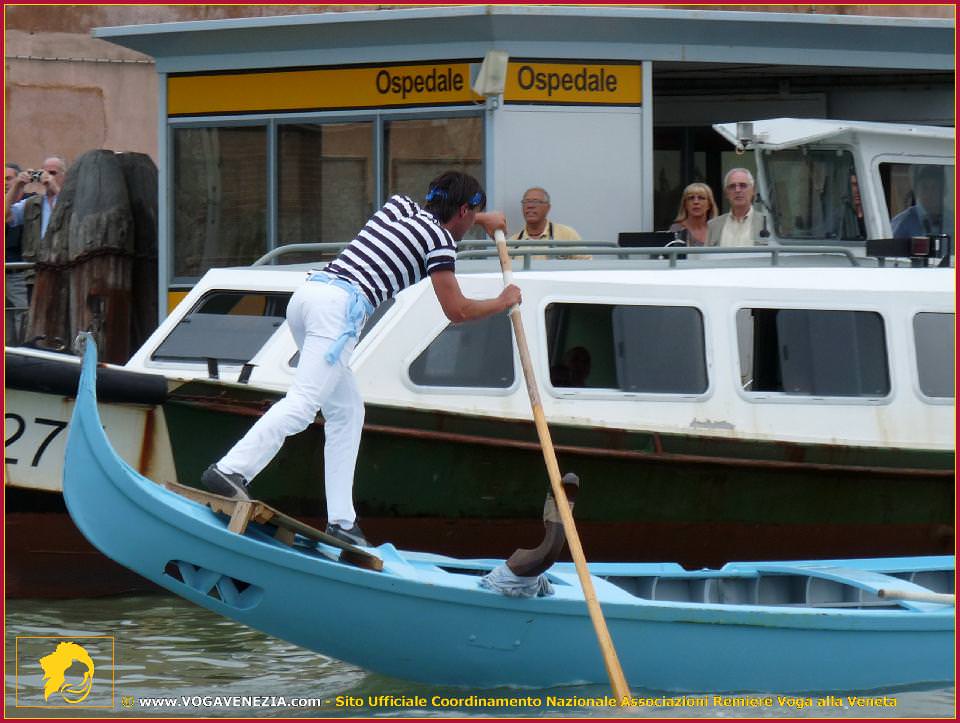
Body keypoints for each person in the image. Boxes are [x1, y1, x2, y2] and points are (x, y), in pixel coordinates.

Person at [200, 171, 522, 547]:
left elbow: (448, 217)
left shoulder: (400, 207)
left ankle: (342, 521)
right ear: (464, 210)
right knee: (303, 405)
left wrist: (482, 218)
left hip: (309, 296)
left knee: (347, 411)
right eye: (473, 214)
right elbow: (458, 310)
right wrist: (503, 301)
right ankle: (230, 470)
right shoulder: (440, 242)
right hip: (338, 311)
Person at [5, 155, 67, 262]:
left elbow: (70, 211)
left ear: (65, 176)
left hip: (65, 263)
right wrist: (17, 185)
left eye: (52, 173)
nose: (49, 177)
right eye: (45, 173)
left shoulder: (73, 199)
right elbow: (5, 216)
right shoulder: (32, 203)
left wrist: (55, 188)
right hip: (35, 266)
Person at [4, 163, 30, 344]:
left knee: (23, 315)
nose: (5, 183)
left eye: (8, 178)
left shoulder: (32, 203)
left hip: (20, 272)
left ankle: (25, 353)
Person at [707, 168, 766, 247]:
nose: (737, 190)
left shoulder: (766, 224)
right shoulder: (713, 225)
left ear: (753, 191)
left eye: (743, 185)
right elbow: (706, 254)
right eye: (732, 186)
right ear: (726, 193)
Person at [891, 165, 944, 237]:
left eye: (934, 187)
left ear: (944, 190)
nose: (930, 193)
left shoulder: (953, 219)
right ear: (917, 191)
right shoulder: (903, 221)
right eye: (925, 187)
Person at [668, 182, 719, 246]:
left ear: (709, 204)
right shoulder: (677, 229)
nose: (696, 202)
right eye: (691, 198)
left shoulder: (717, 229)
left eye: (701, 198)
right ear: (685, 204)